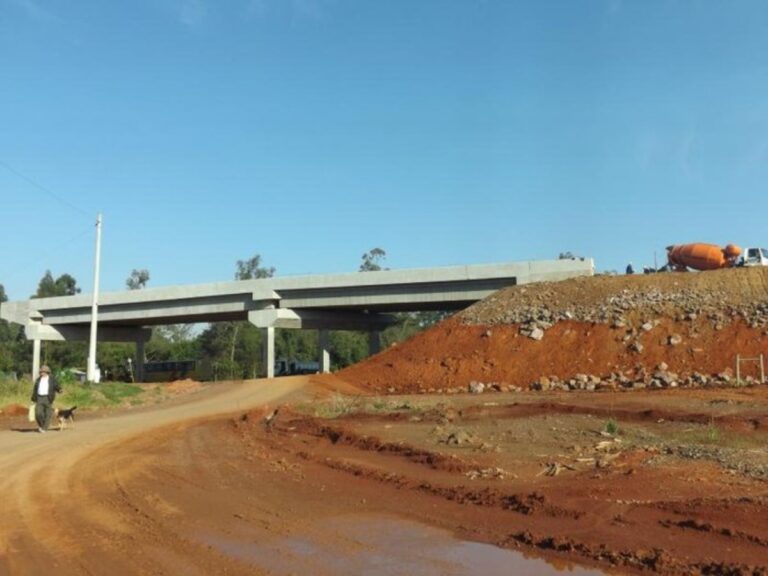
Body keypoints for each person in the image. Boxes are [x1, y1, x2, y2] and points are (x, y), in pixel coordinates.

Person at [30, 365, 62, 433]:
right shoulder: (38, 380)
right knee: (38, 413)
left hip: (48, 398)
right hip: (39, 398)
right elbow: (35, 389)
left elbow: (56, 385)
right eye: (41, 371)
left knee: (48, 414)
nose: (42, 373)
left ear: (47, 372)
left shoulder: (52, 379)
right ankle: (42, 425)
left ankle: (44, 428)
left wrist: (59, 390)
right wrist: (33, 398)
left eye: (43, 371)